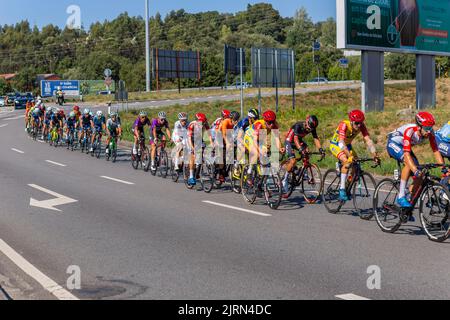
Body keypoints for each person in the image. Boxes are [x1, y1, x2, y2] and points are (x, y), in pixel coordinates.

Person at [387, 111, 445, 208]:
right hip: (394, 144)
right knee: (410, 165)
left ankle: (408, 200)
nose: (429, 131)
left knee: (420, 174)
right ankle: (401, 196)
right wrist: (414, 170)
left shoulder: (430, 132)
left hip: (406, 147)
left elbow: (435, 150)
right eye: (426, 129)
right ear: (419, 127)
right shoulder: (410, 131)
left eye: (430, 128)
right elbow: (406, 155)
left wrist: (443, 168)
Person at [330, 110, 379, 201]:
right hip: (336, 144)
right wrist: (349, 156)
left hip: (347, 145)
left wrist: (374, 154)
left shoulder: (361, 126)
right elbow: (341, 142)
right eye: (357, 123)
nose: (359, 125)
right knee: (347, 161)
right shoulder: (344, 125)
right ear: (352, 121)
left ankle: (348, 185)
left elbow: (368, 140)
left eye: (361, 123)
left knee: (356, 166)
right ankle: (342, 189)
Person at [281, 115, 325, 196]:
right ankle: (285, 179)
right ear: (306, 122)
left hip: (298, 140)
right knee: (293, 161)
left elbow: (315, 138)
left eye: (312, 128)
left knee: (307, 151)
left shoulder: (312, 127)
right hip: (290, 141)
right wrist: (301, 149)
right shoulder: (298, 125)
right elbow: (295, 139)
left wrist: (320, 149)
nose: (310, 129)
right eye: (310, 127)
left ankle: (303, 172)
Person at [243, 110, 284, 183]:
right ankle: (249, 171)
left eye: (273, 122)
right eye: (269, 122)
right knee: (256, 153)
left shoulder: (275, 125)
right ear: (265, 121)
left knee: (265, 153)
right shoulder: (259, 124)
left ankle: (260, 177)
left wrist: (280, 148)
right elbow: (255, 141)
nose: (271, 124)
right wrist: (259, 151)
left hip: (260, 138)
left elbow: (277, 138)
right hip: (250, 137)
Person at [187, 113, 214, 186]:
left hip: (199, 137)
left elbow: (209, 134)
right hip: (191, 138)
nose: (202, 124)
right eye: (200, 123)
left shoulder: (205, 123)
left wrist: (212, 143)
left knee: (202, 153)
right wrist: (192, 148)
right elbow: (189, 138)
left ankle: (199, 168)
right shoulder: (192, 125)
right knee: (193, 155)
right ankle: (191, 176)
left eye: (203, 122)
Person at [217, 111, 240, 182]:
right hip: (220, 137)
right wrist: (227, 143)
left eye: (237, 120)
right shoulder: (225, 122)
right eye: (235, 120)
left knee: (233, 154)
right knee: (222, 157)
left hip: (228, 137)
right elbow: (224, 134)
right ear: (231, 119)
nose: (236, 121)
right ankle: (220, 173)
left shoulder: (235, 124)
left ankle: (230, 169)